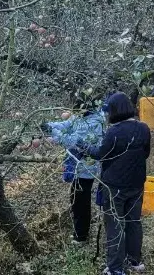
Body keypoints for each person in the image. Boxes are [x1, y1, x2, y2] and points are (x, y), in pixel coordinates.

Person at [88, 92, 151, 275]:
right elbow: (145, 154)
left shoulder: (113, 132)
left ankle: (116, 269)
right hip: (137, 183)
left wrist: (84, 147)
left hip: (115, 186)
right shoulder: (143, 128)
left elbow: (100, 154)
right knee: (133, 221)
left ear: (114, 111)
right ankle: (135, 260)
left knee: (115, 224)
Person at [42, 103, 107, 244]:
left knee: (80, 202)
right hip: (79, 166)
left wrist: (51, 131)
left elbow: (71, 141)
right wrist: (50, 125)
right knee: (77, 200)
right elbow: (66, 124)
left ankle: (81, 236)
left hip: (86, 168)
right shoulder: (81, 117)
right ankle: (80, 232)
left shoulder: (93, 122)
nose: (74, 112)